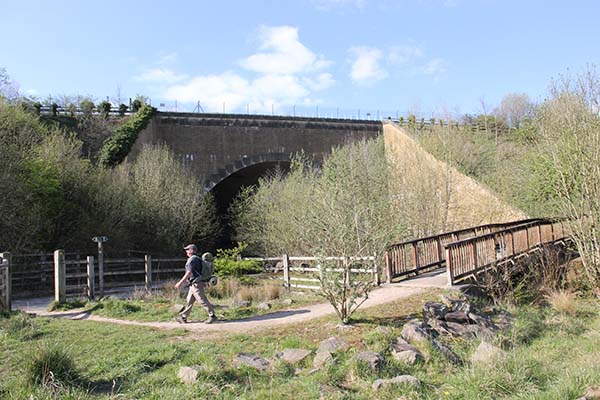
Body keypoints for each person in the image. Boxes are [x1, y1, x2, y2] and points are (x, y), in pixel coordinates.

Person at [174, 244, 217, 324]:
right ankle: (183, 317)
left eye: (187, 249)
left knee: (202, 300)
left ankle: (212, 316)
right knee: (189, 301)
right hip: (194, 284)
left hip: (196, 284)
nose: (186, 251)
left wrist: (180, 283)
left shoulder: (192, 260)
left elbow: (189, 273)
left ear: (192, 250)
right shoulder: (196, 259)